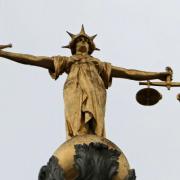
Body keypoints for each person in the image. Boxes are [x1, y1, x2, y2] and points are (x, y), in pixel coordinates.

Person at [0, 25, 171, 139]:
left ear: (90, 46)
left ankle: (95, 140)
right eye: (79, 41)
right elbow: (34, 60)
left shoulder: (99, 65)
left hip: (96, 91)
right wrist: (5, 54)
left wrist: (157, 75)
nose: (83, 43)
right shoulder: (67, 61)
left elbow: (128, 72)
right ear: (73, 46)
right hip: (73, 89)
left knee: (96, 126)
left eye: (86, 41)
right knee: (77, 124)